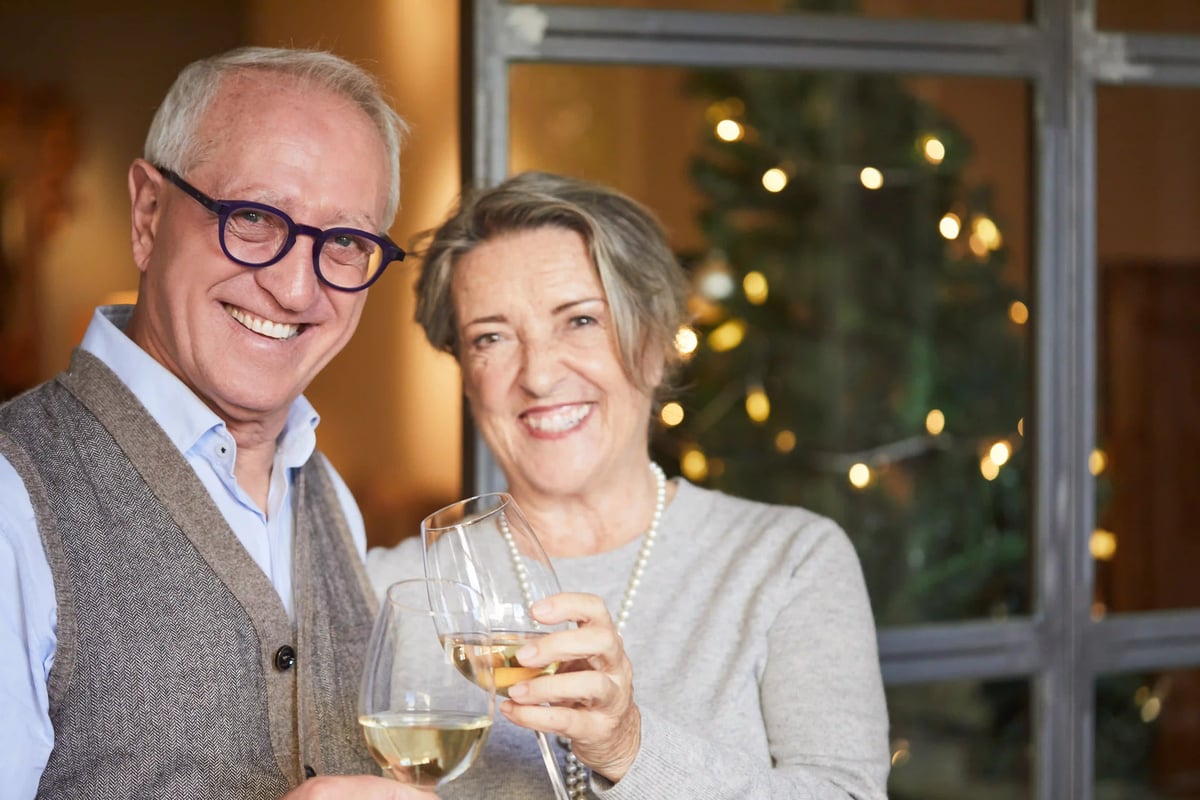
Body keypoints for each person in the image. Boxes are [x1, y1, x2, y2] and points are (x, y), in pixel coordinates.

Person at [367, 171, 891, 799]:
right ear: (465, 371)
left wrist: (629, 746)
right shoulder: (390, 593)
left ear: (657, 339)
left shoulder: (790, 561)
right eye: (491, 337)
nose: (537, 376)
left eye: (581, 320)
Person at [0, 47, 429, 799]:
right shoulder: (13, 498)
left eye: (345, 243)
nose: (296, 288)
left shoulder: (328, 496)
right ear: (147, 214)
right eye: (254, 217)